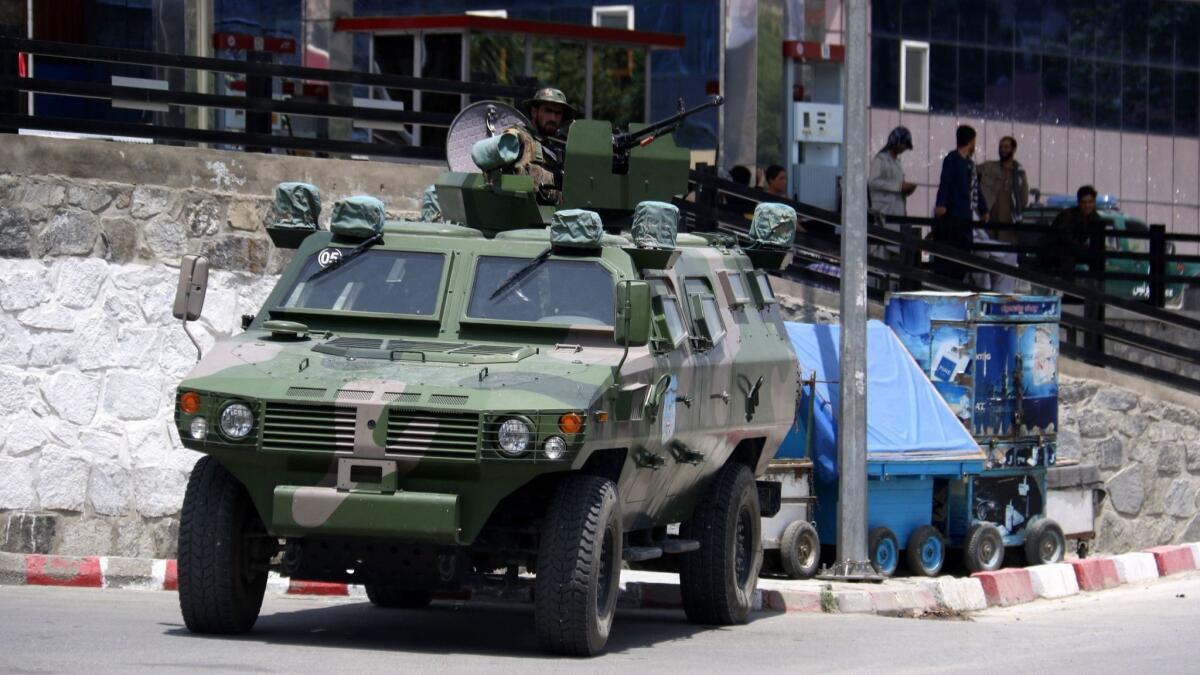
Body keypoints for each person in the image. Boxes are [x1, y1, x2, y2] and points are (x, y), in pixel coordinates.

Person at [933, 125, 988, 281]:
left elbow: (975, 188)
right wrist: (941, 204)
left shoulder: (968, 164)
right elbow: (946, 183)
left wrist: (983, 209)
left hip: (965, 214)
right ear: (971, 142)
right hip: (955, 213)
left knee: (962, 253)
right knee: (951, 252)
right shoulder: (953, 160)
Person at [974, 136, 1028, 292]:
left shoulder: (1019, 174)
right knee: (985, 261)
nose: (1003, 150)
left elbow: (1022, 199)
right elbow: (972, 172)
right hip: (988, 223)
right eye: (1001, 146)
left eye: (1006, 147)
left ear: (1013, 149)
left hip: (1008, 227)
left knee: (1006, 264)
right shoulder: (989, 167)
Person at [510, 87, 575, 204]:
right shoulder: (517, 137)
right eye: (548, 111)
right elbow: (509, 177)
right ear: (534, 112)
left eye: (558, 113)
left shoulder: (560, 146)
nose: (553, 118)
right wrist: (551, 178)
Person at [1037, 185, 1106, 284]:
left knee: (1094, 257)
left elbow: (1099, 247)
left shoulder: (1096, 219)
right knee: (1067, 257)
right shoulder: (1067, 215)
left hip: (1070, 251)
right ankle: (1069, 291)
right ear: (1079, 203)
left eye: (1090, 202)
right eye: (1084, 202)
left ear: (1094, 203)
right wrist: (1085, 249)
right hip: (1053, 251)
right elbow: (1065, 239)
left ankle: (1094, 288)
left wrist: (1100, 277)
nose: (1087, 206)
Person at [868, 126, 916, 217]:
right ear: (896, 142)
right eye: (903, 144)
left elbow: (898, 187)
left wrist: (906, 190)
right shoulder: (880, 159)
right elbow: (873, 182)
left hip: (897, 212)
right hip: (882, 211)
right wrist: (899, 186)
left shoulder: (897, 163)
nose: (904, 148)